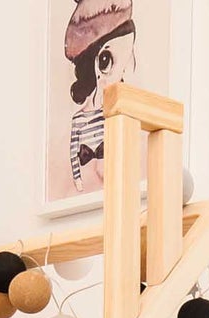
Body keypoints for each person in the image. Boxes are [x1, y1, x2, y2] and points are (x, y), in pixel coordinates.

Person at [64, 0, 138, 191]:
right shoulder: (79, 119)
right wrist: (78, 182)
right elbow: (74, 155)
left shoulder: (120, 116)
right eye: (109, 61)